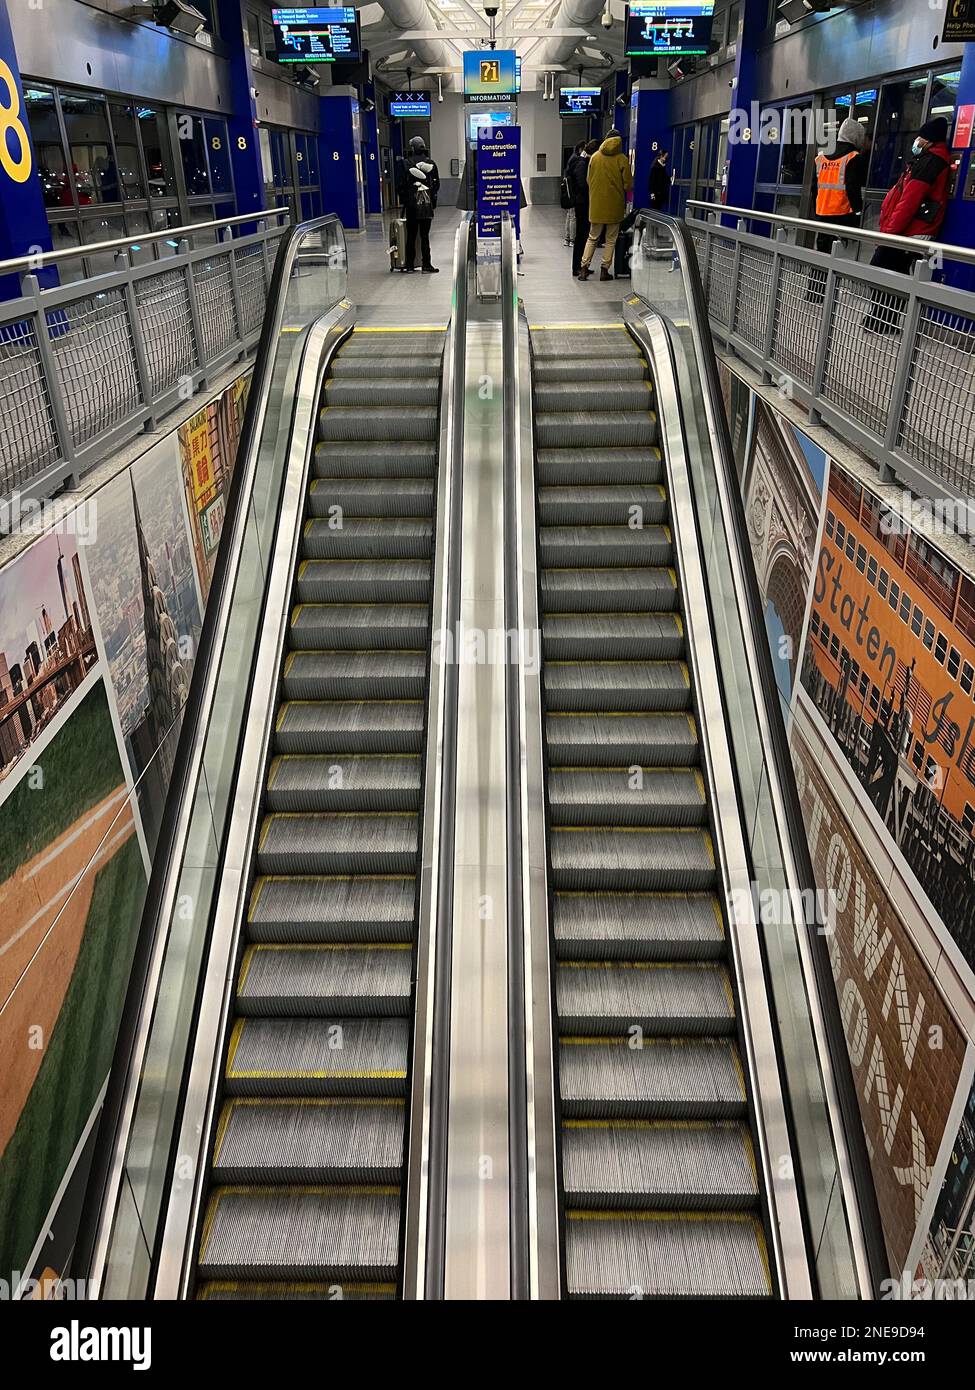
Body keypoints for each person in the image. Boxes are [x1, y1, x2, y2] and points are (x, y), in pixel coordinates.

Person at [864, 116, 952, 332]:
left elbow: (909, 202)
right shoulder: (925, 161)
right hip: (907, 230)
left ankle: (884, 320)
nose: (917, 141)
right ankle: (881, 318)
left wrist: (889, 233)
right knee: (889, 271)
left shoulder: (931, 163)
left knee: (885, 269)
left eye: (921, 138)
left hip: (911, 232)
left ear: (930, 140)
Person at [808, 117, 867, 302]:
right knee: (837, 254)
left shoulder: (822, 156)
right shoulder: (853, 158)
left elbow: (814, 187)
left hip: (823, 211)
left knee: (822, 252)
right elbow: (852, 187)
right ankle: (830, 292)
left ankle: (815, 293)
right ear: (856, 137)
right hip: (842, 213)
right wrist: (858, 211)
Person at [578, 130, 633, 282]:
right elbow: (628, 185)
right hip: (615, 206)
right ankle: (604, 270)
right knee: (610, 240)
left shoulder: (595, 157)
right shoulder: (622, 159)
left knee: (592, 237)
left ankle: (583, 269)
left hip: (596, 205)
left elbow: (589, 180)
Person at [397, 134, 441, 274]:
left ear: (412, 148)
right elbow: (437, 184)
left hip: (411, 206)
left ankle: (409, 265)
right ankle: (426, 265)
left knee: (411, 235)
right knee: (425, 236)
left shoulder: (406, 163)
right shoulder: (431, 163)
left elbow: (400, 185)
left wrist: (405, 198)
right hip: (426, 206)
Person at [568, 138, 598, 278]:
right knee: (581, 236)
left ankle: (581, 265)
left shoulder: (580, 162)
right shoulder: (581, 163)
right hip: (582, 204)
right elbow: (582, 184)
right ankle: (577, 267)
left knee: (584, 236)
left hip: (583, 203)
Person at [563, 141, 584, 245]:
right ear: (580, 149)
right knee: (572, 216)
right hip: (573, 192)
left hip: (568, 191)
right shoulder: (577, 160)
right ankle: (572, 239)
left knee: (569, 215)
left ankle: (567, 238)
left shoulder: (572, 158)